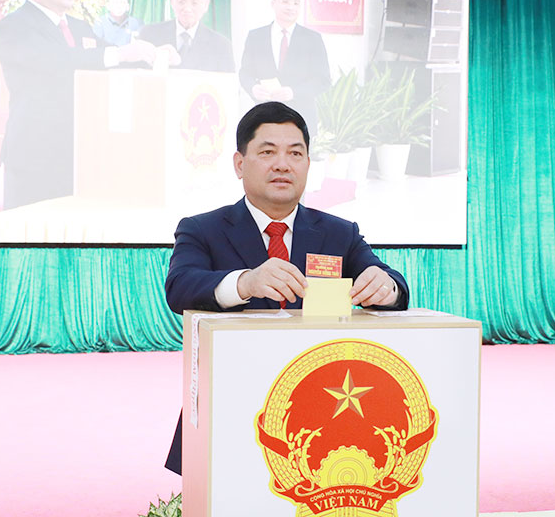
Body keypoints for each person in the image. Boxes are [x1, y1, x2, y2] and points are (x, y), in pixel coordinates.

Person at [163, 101, 411, 474]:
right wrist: (245, 282)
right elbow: (180, 287)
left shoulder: (339, 233)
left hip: (324, 413)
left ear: (308, 166)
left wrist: (386, 287)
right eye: (267, 152)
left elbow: (393, 284)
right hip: (231, 402)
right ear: (239, 163)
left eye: (295, 153)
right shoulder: (203, 229)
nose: (283, 164)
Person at [0, 0, 156, 209]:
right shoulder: (16, 25)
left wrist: (154, 54)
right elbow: (58, 62)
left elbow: (112, 59)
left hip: (81, 150)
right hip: (35, 154)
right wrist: (121, 54)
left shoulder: (79, 26)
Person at [238, 0, 331, 136]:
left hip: (300, 118)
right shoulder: (256, 37)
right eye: (285, 1)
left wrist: (293, 92)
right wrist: (253, 88)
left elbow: (323, 80)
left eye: (296, 3)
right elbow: (245, 73)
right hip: (264, 118)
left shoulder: (312, 39)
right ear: (273, 3)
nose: (291, 7)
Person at [135, 0, 235, 73]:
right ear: (172, 2)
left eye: (194, 3)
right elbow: (134, 78)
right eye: (181, 2)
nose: (187, 9)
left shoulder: (222, 46)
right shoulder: (149, 34)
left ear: (206, 5)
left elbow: (228, 86)